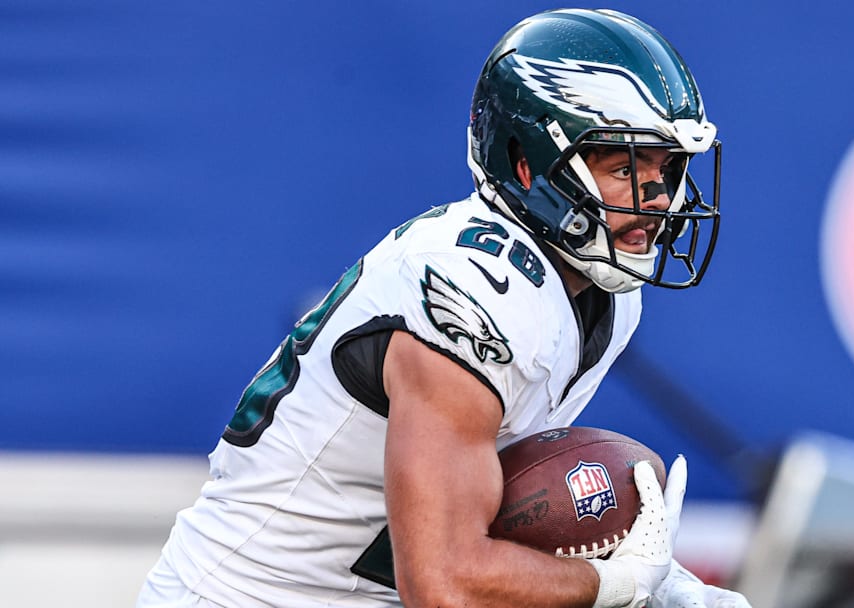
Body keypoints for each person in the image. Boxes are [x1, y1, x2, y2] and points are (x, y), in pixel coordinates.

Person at [136, 8, 750, 608]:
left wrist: (642, 575)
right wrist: (615, 585)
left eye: (665, 169)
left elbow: (487, 525)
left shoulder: (608, 298)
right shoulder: (475, 287)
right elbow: (447, 584)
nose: (661, 200)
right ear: (526, 162)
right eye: (624, 167)